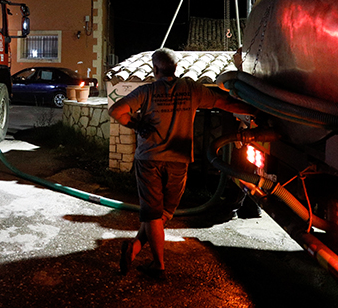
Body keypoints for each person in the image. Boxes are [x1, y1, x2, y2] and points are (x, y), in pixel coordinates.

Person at [109, 48, 254, 280]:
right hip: (179, 160)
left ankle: (152, 262)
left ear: (155, 69)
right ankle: (142, 254)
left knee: (154, 214)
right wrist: (256, 111)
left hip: (149, 160)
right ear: (176, 68)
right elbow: (225, 103)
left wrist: (137, 125)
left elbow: (116, 111)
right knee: (163, 213)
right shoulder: (191, 89)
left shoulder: (147, 91)